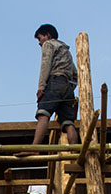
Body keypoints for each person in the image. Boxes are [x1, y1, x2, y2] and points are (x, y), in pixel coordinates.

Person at [16, 24, 79, 157]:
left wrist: (41, 87)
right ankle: (75, 153)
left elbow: (45, 64)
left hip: (55, 82)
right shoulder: (65, 50)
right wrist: (69, 88)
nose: (39, 43)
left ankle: (35, 147)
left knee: (43, 114)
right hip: (68, 86)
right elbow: (75, 74)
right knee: (68, 123)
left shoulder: (49, 44)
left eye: (40, 38)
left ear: (48, 35)